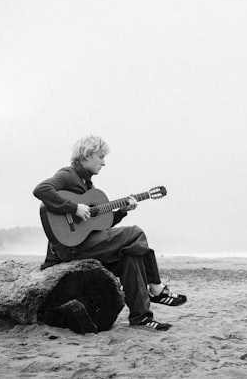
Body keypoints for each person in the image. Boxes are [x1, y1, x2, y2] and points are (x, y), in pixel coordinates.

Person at [33, 134, 186, 331]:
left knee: (131, 257)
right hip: (70, 248)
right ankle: (156, 287)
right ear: (87, 155)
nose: (104, 163)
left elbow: (100, 226)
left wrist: (122, 211)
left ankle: (141, 318)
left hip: (86, 243)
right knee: (136, 232)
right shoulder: (68, 175)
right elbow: (41, 189)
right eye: (100, 157)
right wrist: (73, 208)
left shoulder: (88, 187)